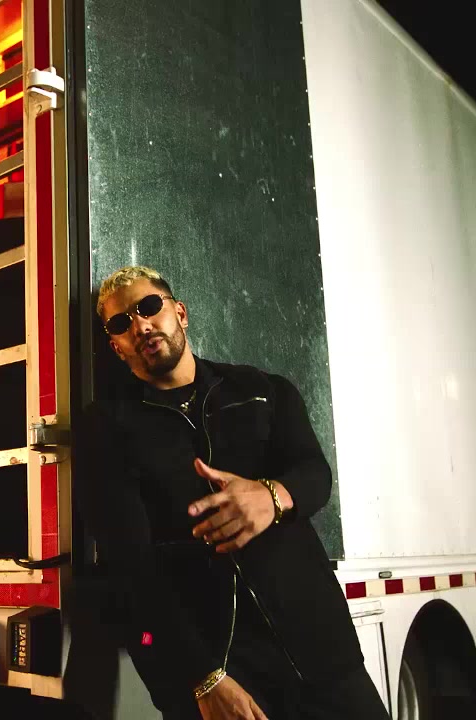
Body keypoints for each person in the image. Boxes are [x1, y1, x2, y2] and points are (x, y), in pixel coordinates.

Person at [75, 266, 388, 720]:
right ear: (116, 347)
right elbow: (130, 565)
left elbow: (315, 473)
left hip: (320, 651)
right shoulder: (106, 427)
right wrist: (203, 677)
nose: (140, 325)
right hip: (219, 669)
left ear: (180, 313)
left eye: (149, 307)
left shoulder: (262, 390)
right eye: (122, 323)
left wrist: (271, 496)